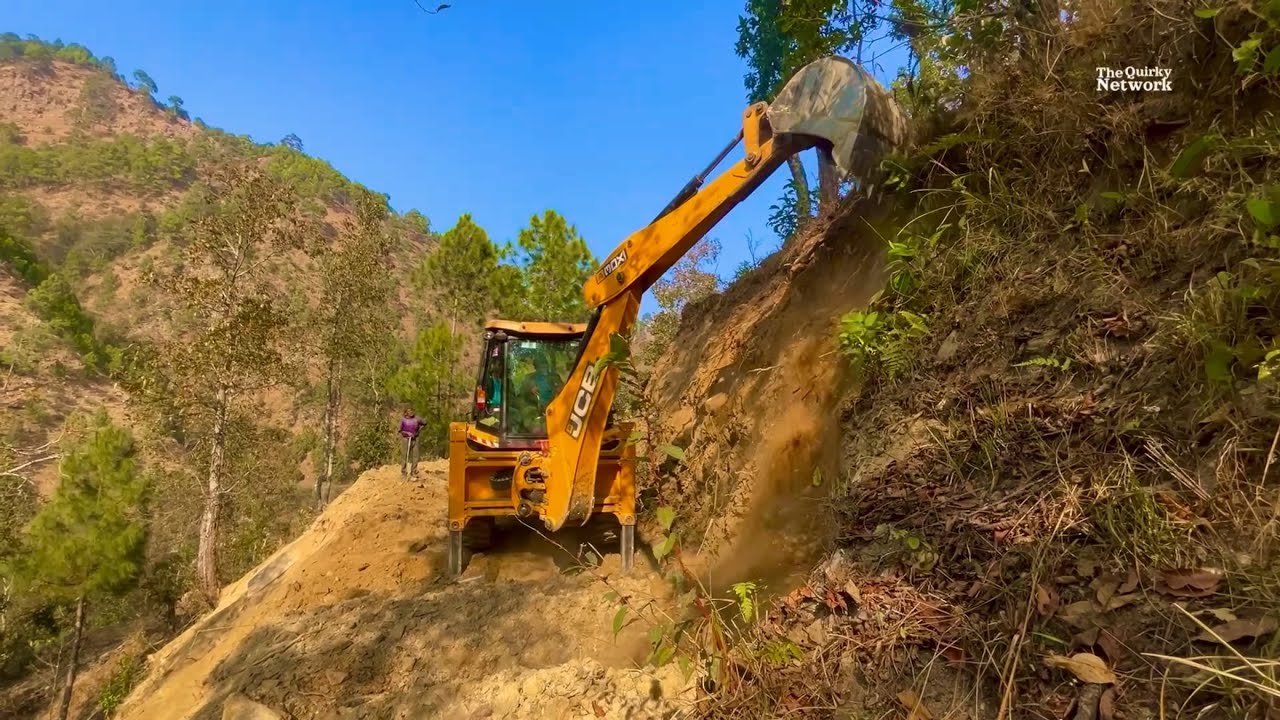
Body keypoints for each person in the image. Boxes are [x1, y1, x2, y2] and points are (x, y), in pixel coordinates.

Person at [399, 408, 425, 478]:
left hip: (415, 439)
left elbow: (424, 423)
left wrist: (419, 429)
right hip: (406, 439)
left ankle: (413, 471)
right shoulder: (403, 420)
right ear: (406, 412)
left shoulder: (417, 418)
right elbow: (400, 430)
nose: (411, 412)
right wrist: (407, 433)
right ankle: (404, 472)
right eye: (409, 411)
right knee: (405, 455)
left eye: (412, 411)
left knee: (415, 456)